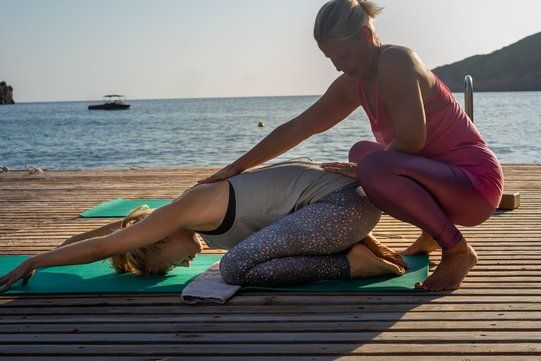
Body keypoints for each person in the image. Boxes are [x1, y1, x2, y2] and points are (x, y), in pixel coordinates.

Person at [198, 0, 504, 291]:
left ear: (366, 35)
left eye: (343, 55)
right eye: (330, 58)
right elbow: (299, 127)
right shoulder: (354, 83)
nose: (338, 65)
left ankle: (458, 250)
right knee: (361, 152)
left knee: (370, 164)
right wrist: (235, 167)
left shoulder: (397, 61)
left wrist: (365, 172)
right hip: (441, 180)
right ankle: (433, 233)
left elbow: (412, 138)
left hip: (474, 184)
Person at [0, 162, 405, 293]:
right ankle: (352, 250)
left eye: (166, 265)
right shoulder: (188, 212)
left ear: (157, 239)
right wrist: (68, 240)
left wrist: (38, 259)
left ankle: (353, 266)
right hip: (344, 211)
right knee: (250, 257)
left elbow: (107, 246)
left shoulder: (183, 211)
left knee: (234, 267)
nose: (185, 262)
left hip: (345, 207)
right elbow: (109, 233)